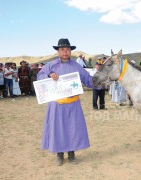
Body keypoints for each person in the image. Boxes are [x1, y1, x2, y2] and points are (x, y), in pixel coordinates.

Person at [37, 38, 98, 166]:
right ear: (58, 51)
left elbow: (88, 79)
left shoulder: (76, 66)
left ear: (70, 51)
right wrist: (50, 75)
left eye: (67, 49)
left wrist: (102, 83)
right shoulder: (51, 66)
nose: (65, 52)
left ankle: (71, 154)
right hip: (56, 104)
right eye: (62, 49)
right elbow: (40, 77)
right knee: (58, 129)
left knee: (73, 128)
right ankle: (59, 154)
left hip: (73, 103)